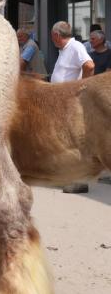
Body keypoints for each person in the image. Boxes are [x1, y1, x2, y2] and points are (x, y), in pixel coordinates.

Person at [50, 21, 95, 194]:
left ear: (56, 35)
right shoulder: (66, 49)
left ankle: (79, 181)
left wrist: (80, 87)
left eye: (52, 36)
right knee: (65, 140)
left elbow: (89, 66)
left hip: (69, 102)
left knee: (73, 141)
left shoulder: (75, 46)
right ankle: (70, 178)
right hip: (62, 101)